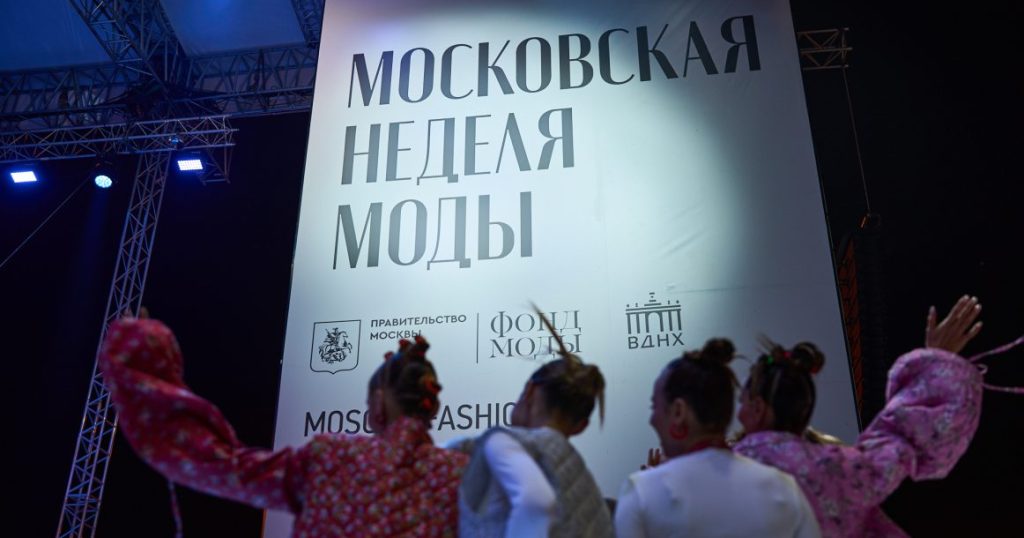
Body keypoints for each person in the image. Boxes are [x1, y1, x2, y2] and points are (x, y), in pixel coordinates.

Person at [100, 315, 466, 537]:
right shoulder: (463, 477)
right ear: (431, 406)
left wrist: (144, 354)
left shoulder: (329, 457)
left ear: (378, 403)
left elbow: (218, 465)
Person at [733, 295, 992, 537]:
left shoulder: (724, 471)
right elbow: (901, 437)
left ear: (756, 408)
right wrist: (935, 364)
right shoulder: (837, 470)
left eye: (742, 400)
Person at [615, 338, 821, 538]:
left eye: (655, 407)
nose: (652, 420)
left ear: (678, 412)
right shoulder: (784, 489)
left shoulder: (643, 493)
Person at [457, 309, 613, 537]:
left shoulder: (503, 442)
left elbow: (536, 504)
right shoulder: (589, 490)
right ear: (581, 426)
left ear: (530, 390)